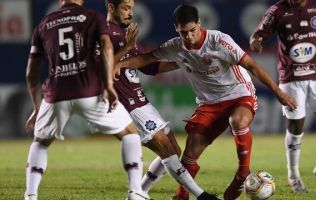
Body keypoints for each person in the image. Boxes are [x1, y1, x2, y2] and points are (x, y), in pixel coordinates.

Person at [114, 4, 297, 200]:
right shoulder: (175, 46)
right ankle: (181, 196)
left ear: (199, 24)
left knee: (238, 121)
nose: (189, 36)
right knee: (190, 152)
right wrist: (120, 64)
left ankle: (242, 173)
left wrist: (279, 92)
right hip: (209, 103)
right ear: (177, 28)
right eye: (184, 32)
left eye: (193, 30)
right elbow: (146, 59)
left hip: (238, 92)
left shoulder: (219, 41)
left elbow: (252, 65)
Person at [24, 0, 147, 199]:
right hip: (89, 90)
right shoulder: (92, 17)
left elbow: (31, 73)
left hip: (55, 94)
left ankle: (30, 195)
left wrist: (38, 107)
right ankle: (135, 191)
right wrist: (108, 85)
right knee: (130, 134)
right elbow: (106, 47)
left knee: (40, 142)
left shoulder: (44, 24)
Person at [104, 1, 219, 200]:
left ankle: (139, 193)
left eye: (132, 8)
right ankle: (201, 196)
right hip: (126, 103)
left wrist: (181, 62)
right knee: (166, 148)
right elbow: (102, 68)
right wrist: (128, 47)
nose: (130, 13)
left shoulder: (124, 34)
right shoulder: (105, 34)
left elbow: (146, 67)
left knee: (173, 149)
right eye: (125, 8)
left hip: (140, 101)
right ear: (111, 8)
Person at [249, 0, 316, 193]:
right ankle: (294, 176)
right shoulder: (277, 10)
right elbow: (257, 33)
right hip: (291, 78)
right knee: (296, 126)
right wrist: (255, 40)